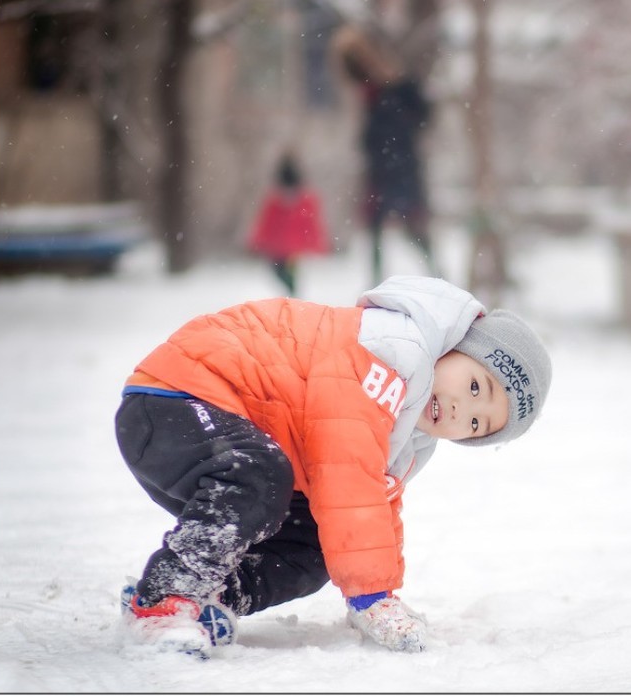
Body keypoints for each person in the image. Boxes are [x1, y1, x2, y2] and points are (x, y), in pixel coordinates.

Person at [114, 275, 552, 656]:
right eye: (475, 385)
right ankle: (165, 598)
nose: (461, 410)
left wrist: (379, 587)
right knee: (258, 476)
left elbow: (372, 505)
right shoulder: (389, 354)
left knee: (315, 546)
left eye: (477, 424)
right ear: (455, 347)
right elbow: (347, 471)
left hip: (227, 432)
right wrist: (372, 595)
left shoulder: (408, 431)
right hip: (178, 397)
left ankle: (211, 596)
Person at [333, 24, 441, 284]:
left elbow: (422, 117)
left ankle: (438, 279)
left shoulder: (398, 88)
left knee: (410, 229)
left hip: (398, 166)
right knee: (381, 230)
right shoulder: (375, 90)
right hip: (384, 167)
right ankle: (379, 283)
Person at [247, 153, 330, 296]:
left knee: (290, 278)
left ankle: (292, 299)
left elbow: (311, 226)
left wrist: (319, 245)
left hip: (291, 251)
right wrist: (256, 243)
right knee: (281, 275)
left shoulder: (304, 202)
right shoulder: (275, 203)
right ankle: (292, 297)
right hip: (277, 250)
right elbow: (266, 225)